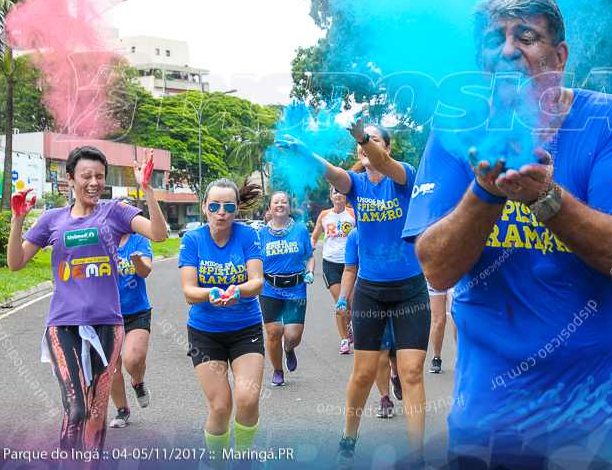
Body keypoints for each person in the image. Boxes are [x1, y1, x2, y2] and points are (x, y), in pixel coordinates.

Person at [403, 0, 612, 470]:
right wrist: (486, 193)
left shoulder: (610, 120)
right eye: (493, 39)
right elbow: (435, 269)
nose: (507, 50)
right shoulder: (456, 130)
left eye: (526, 35)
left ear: (559, 56)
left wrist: (547, 198)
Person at [278, 114, 430, 470]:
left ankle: (418, 456)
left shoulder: (403, 176)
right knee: (363, 373)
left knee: (410, 373)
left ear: (387, 148)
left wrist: (362, 135)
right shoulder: (358, 186)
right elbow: (334, 174)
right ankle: (349, 436)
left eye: (375, 141)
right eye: (362, 143)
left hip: (410, 289)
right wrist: (308, 154)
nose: (366, 147)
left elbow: (383, 162)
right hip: (371, 291)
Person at [7, 145, 167, 459]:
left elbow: (159, 234)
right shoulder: (52, 219)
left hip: (108, 323)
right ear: (70, 180)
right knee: (77, 409)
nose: (94, 182)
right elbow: (16, 262)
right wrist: (17, 221)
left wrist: (147, 189)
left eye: (99, 176)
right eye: (86, 176)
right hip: (63, 323)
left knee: (96, 411)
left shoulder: (116, 211)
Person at [179, 177, 265, 466]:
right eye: (214, 205)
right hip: (206, 333)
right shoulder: (192, 239)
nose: (221, 212)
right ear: (204, 207)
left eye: (228, 206)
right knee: (220, 407)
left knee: (248, 400)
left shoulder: (248, 236)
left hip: (245, 328)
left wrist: (236, 291)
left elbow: (257, 282)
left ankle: (242, 458)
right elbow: (190, 292)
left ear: (237, 208)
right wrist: (213, 294)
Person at [338, 229, 398, 420]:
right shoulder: (355, 236)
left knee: (397, 355)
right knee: (382, 351)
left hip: (402, 296)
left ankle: (396, 376)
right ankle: (385, 398)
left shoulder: (398, 226)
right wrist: (342, 298)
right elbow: (349, 270)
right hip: (371, 298)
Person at [258, 190, 315, 386]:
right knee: (274, 332)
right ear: (270, 208)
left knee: (292, 336)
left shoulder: (300, 230)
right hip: (269, 288)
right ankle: (277, 371)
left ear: (289, 207)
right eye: (276, 202)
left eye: (284, 202)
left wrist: (310, 271)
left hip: (296, 287)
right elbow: (255, 262)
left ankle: (289, 350)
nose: (280, 205)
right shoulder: (261, 234)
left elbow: (309, 257)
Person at [109, 220, 154, 428]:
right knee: (112, 366)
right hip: (106, 313)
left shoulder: (139, 240)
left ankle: (138, 383)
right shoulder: (103, 240)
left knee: (133, 360)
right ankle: (122, 410)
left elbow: (145, 272)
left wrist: (136, 261)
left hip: (136, 310)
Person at [312, 186, 357, 354]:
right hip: (331, 263)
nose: (338, 194)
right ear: (330, 197)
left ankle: (349, 326)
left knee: (351, 304)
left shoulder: (353, 214)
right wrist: (312, 244)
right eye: (334, 192)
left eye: (341, 191)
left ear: (346, 196)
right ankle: (344, 340)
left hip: (351, 264)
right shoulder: (324, 216)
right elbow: (315, 235)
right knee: (340, 301)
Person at [426, 284, 455, 374]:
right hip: (436, 279)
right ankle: (436, 357)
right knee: (439, 322)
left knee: (455, 319)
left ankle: (461, 357)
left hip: (455, 279)